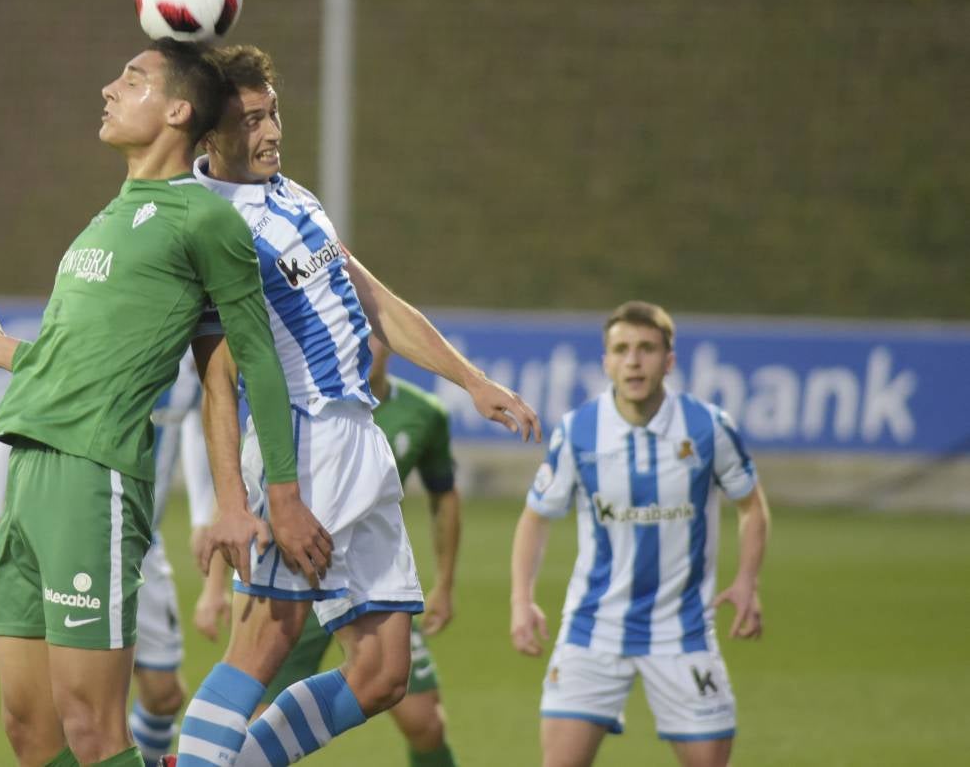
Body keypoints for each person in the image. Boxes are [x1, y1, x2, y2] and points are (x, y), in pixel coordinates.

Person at [170, 45, 541, 767]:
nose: (271, 130)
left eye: (273, 111)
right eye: (250, 120)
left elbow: (374, 300)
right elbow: (214, 376)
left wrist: (470, 380)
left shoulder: (295, 197)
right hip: (299, 442)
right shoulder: (210, 221)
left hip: (358, 438)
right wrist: (249, 497)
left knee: (382, 674)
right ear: (211, 136)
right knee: (266, 639)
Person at [0, 39, 311, 767]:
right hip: (29, 472)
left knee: (91, 726)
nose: (109, 89)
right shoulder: (111, 214)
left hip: (94, 477)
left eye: (132, 78)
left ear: (178, 110)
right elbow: (86, 354)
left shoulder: (204, 220)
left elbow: (251, 363)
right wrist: (10, 353)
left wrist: (276, 493)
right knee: (28, 728)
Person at [509, 301, 771, 767]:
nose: (634, 360)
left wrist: (748, 580)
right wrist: (520, 600)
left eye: (647, 349)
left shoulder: (708, 427)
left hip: (684, 629)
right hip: (594, 628)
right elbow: (536, 515)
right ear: (606, 361)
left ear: (668, 361)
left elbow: (751, 505)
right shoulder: (578, 432)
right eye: (622, 349)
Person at [0, 355, 215, 767]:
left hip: (143, 544)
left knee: (164, 693)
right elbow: (24, 401)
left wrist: (204, 515)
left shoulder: (187, 362)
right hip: (82, 530)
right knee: (69, 719)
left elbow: (199, 428)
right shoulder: (98, 332)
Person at [251, 335, 465, 767]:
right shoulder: (299, 404)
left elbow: (444, 497)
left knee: (425, 722)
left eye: (373, 336)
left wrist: (444, 583)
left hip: (373, 579)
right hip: (303, 576)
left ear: (390, 344)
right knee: (258, 721)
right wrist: (216, 588)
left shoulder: (423, 414)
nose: (360, 344)